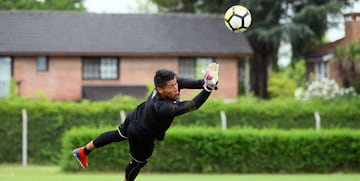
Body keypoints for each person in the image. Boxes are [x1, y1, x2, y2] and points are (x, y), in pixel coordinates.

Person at [73, 63, 219, 181]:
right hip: (141, 133)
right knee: (138, 162)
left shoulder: (170, 83)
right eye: (171, 87)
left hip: (137, 114)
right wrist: (208, 89)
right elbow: (193, 105)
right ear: (159, 90)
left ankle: (83, 151)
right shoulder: (162, 107)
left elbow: (191, 83)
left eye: (175, 84)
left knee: (117, 134)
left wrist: (207, 81)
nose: (175, 88)